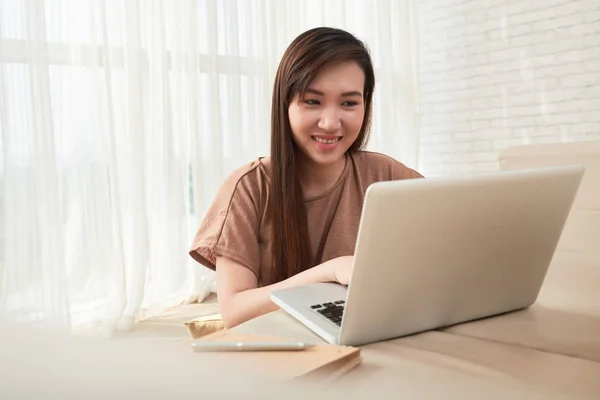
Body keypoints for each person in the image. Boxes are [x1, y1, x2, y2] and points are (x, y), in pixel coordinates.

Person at [189, 27, 423, 328]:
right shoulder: (249, 187)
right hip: (279, 345)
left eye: (349, 103)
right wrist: (329, 272)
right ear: (284, 104)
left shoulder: (385, 174)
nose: (330, 122)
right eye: (312, 101)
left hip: (367, 332)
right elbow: (234, 311)